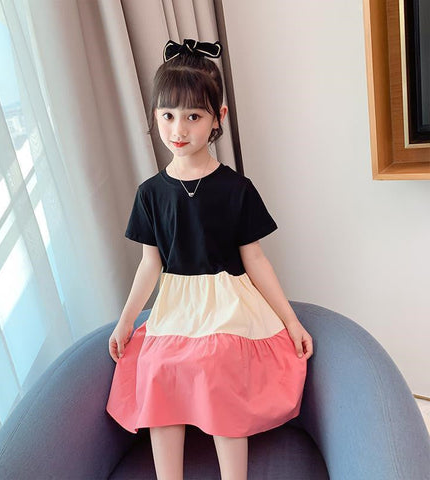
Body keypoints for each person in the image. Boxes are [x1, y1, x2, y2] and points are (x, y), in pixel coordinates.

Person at [106, 38, 313, 480]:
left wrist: (291, 321)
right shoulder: (150, 194)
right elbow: (150, 264)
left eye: (193, 116)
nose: (178, 129)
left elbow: (255, 260)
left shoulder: (236, 189)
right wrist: (125, 323)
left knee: (219, 369)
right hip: (176, 306)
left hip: (227, 303)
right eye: (167, 115)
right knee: (158, 370)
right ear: (154, 116)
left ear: (218, 118)